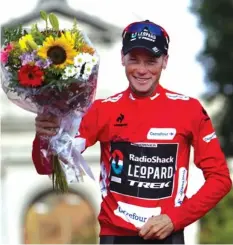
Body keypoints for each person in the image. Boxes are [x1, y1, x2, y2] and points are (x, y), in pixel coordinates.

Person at [32, 20, 232, 244]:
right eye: (134, 59)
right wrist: (44, 136)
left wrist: (175, 219)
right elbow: (48, 166)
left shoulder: (189, 110)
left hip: (168, 235)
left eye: (151, 61)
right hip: (115, 238)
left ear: (165, 61)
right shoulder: (102, 110)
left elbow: (220, 179)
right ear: (122, 58)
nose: (142, 70)